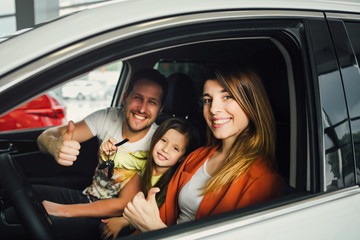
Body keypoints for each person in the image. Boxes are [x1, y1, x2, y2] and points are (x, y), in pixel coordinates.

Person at [123, 65, 286, 233]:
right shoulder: (196, 157)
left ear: (251, 102)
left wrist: (153, 229)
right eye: (208, 100)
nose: (213, 109)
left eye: (227, 97)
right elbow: (165, 214)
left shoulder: (264, 182)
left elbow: (156, 225)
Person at [35, 69, 168, 219]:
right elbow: (45, 136)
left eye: (152, 102)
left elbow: (122, 205)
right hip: (87, 197)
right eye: (138, 98)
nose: (142, 109)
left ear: (160, 109)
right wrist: (53, 146)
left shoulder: (159, 144)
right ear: (125, 98)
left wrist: (63, 211)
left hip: (110, 220)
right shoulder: (107, 117)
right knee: (25, 194)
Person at [100, 117, 200, 240]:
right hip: (135, 215)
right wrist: (109, 153)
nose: (165, 149)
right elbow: (121, 159)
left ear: (182, 158)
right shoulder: (144, 160)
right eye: (163, 140)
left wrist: (123, 221)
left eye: (175, 148)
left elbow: (154, 213)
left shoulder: (173, 183)